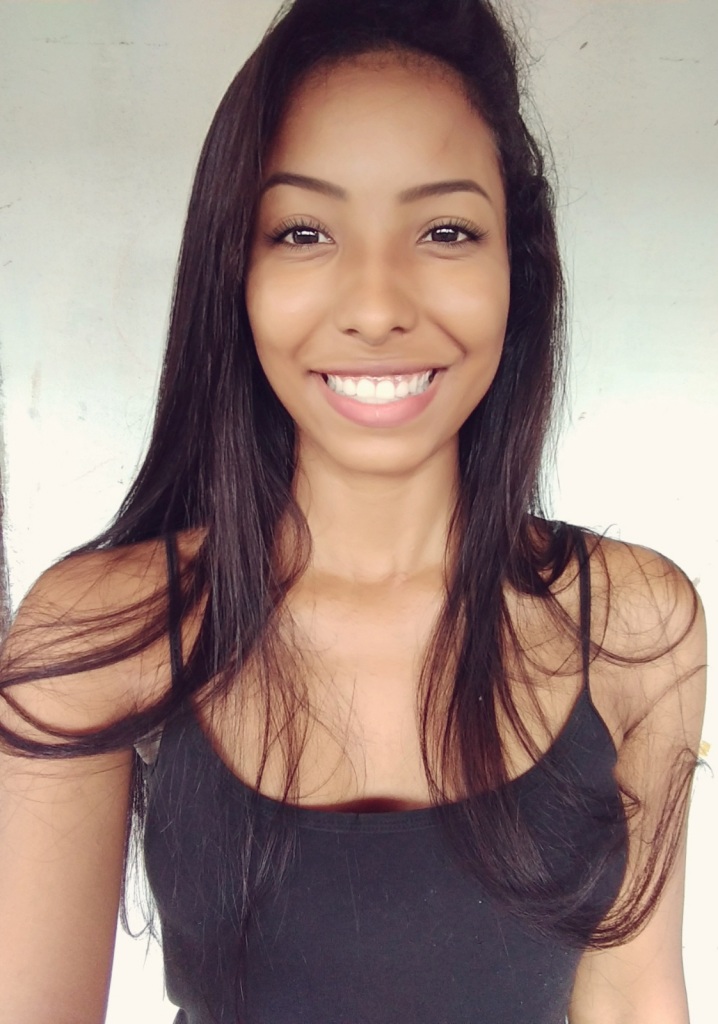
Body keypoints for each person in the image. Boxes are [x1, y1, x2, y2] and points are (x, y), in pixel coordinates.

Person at [0, 0, 707, 1022]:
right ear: (236, 270)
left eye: (446, 230)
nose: (376, 307)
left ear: (518, 267)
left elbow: (636, 996)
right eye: (303, 231)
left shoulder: (635, 625)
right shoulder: (98, 633)